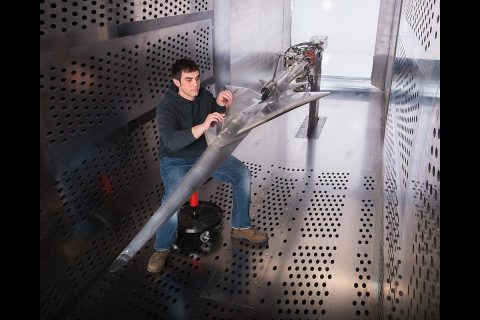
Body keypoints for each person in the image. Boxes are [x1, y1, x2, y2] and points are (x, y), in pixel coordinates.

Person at [147, 58, 268, 273]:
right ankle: (162, 248)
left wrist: (220, 102)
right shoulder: (166, 108)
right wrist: (202, 126)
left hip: (203, 154)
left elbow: (214, 111)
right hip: (174, 159)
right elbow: (171, 142)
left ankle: (241, 226)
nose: (195, 84)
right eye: (189, 80)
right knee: (172, 198)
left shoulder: (201, 94)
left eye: (197, 78)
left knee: (241, 174)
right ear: (177, 82)